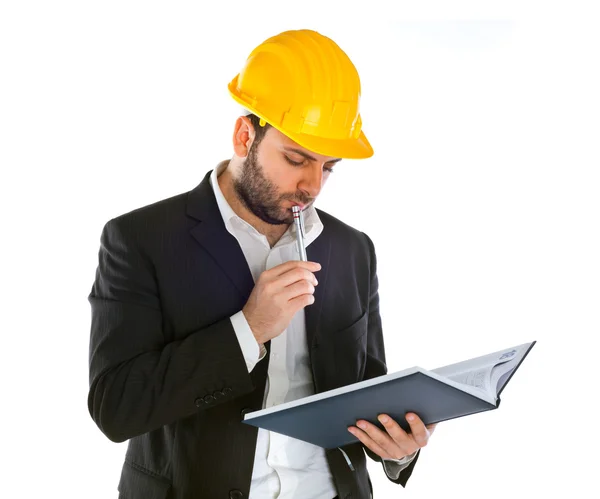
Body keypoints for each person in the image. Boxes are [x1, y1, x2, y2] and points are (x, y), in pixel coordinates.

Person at [87, 28, 436, 499]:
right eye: (296, 159)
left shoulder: (353, 249)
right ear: (244, 135)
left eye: (328, 166)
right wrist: (248, 329)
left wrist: (399, 448)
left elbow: (365, 393)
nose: (313, 185)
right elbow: (117, 406)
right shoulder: (140, 239)